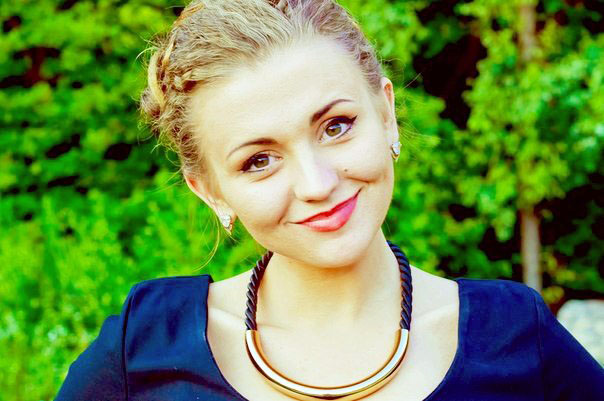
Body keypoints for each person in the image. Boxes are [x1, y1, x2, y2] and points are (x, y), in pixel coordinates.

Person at [55, 0, 604, 400]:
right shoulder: (143, 347)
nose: (317, 184)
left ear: (386, 115)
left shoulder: (516, 336)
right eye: (259, 160)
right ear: (211, 190)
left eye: (336, 126)